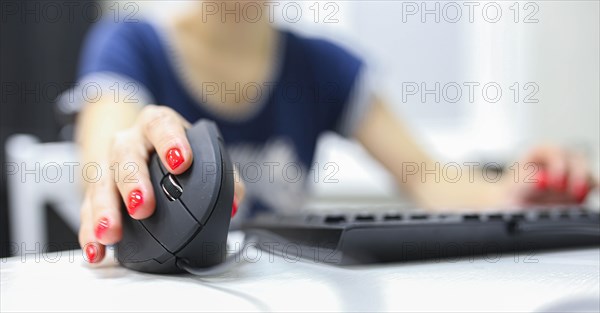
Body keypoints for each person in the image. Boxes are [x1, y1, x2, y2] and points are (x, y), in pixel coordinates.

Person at [74, 2, 596, 263]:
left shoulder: (325, 67)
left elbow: (433, 180)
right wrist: (122, 163)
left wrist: (509, 190)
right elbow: (104, 157)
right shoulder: (129, 43)